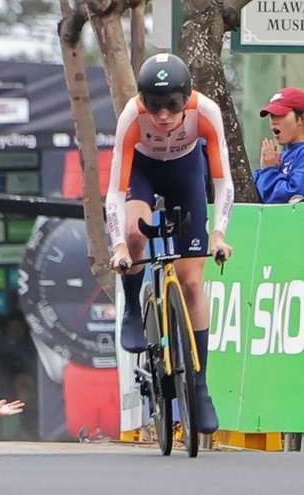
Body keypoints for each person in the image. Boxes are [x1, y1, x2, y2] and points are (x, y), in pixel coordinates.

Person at [106, 53, 233, 434]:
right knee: (134, 231)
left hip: (185, 173)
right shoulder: (131, 117)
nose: (163, 116)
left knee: (192, 281)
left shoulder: (206, 111)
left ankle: (199, 384)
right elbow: (115, 191)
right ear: (142, 101)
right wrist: (118, 247)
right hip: (144, 173)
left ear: (187, 99)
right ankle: (132, 304)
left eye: (172, 106)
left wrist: (219, 234)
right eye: (154, 105)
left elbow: (223, 181)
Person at [255, 87, 304, 204]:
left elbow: (291, 198)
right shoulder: (279, 158)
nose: (273, 121)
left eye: (280, 114)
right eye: (272, 116)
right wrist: (263, 170)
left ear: (301, 119)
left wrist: (268, 171)